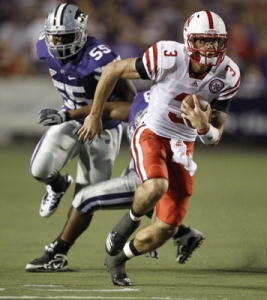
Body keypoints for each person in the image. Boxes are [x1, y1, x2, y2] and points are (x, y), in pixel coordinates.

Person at [78, 10, 241, 286]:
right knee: (156, 186)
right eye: (204, 41)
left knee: (167, 228)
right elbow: (113, 69)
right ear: (190, 40)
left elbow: (215, 138)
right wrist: (94, 114)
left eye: (216, 42)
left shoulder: (228, 74)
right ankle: (127, 222)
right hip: (152, 132)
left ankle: (118, 259)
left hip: (183, 146)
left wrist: (203, 127)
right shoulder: (168, 56)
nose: (211, 48)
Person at [25, 91, 205, 272]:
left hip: (150, 178)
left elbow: (166, 170)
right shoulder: (144, 100)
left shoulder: (171, 113)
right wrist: (66, 115)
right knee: (139, 201)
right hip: (142, 172)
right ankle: (183, 234)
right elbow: (108, 109)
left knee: (84, 199)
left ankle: (57, 254)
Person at [29, 3, 136, 218]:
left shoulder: (100, 59)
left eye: (66, 37)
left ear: (81, 33)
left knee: (86, 198)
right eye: (55, 37)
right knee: (39, 170)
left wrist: (96, 114)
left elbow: (129, 98)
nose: (58, 43)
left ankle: (60, 247)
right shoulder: (43, 46)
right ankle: (58, 185)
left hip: (103, 128)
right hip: (70, 116)